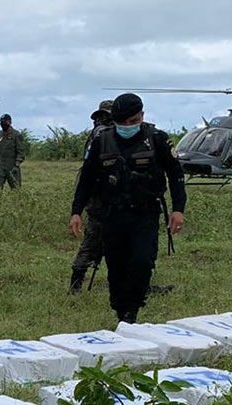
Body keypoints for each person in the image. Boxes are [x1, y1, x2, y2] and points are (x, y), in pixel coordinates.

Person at [69, 93, 185, 324]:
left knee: (142, 262)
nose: (128, 126)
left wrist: (178, 209)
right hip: (112, 214)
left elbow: (176, 175)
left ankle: (132, 312)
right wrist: (76, 211)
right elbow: (86, 179)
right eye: (123, 122)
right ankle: (121, 313)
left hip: (146, 213)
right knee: (116, 268)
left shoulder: (157, 139)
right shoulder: (102, 141)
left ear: (141, 116)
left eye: (133, 121)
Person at [69, 100, 114, 293]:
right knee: (93, 241)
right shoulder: (103, 136)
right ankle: (75, 285)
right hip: (101, 198)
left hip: (98, 197)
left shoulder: (96, 133)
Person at [0, 113, 27, 189]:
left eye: (4, 122)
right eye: (1, 122)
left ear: (10, 122)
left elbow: (21, 152)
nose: (2, 124)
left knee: (16, 190)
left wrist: (17, 165)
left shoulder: (16, 135)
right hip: (0, 166)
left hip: (12, 166)